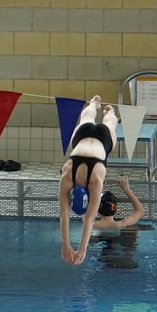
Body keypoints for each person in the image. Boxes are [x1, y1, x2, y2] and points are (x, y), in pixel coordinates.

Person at [58, 95, 117, 265]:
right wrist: (66, 245)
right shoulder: (67, 176)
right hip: (81, 139)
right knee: (87, 118)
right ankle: (95, 103)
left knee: (110, 124)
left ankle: (110, 111)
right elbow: (63, 215)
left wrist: (81, 249)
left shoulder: (95, 182)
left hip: (103, 141)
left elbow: (89, 219)